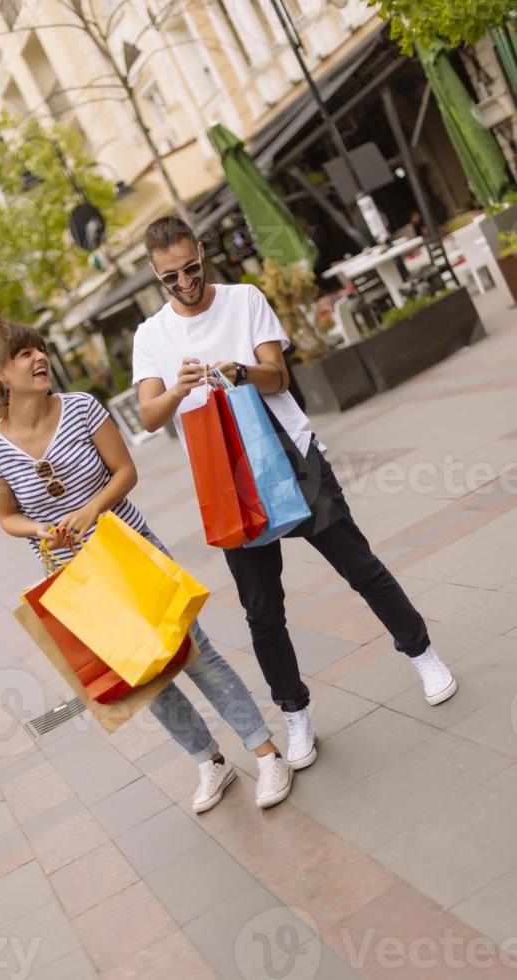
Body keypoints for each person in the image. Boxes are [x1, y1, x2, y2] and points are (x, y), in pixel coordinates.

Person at [133, 216, 458, 773]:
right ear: (155, 275)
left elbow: (279, 377)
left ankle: (422, 653)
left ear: (202, 253)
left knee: (359, 565)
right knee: (262, 610)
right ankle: (295, 711)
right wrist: (180, 388)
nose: (185, 283)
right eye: (171, 277)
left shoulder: (244, 299)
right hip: (227, 480)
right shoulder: (151, 336)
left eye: (191, 268)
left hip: (291, 455)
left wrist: (240, 370)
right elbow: (147, 413)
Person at [0, 313, 295, 811]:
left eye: (39, 349)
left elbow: (125, 472)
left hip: (133, 550)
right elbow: (6, 517)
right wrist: (40, 530)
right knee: (145, 677)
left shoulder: (80, 409)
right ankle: (210, 761)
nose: (39, 358)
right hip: (74, 578)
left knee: (193, 653)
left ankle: (266, 752)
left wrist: (90, 510)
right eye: (22, 354)